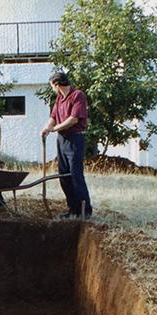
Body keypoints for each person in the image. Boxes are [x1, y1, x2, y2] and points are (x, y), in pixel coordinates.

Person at [40, 71, 92, 219]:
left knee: (75, 175)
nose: (53, 89)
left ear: (57, 84)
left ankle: (85, 211)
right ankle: (73, 209)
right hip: (62, 140)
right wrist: (46, 127)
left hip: (75, 139)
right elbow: (53, 117)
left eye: (52, 86)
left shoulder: (78, 96)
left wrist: (54, 129)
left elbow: (73, 119)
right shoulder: (59, 98)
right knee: (64, 175)